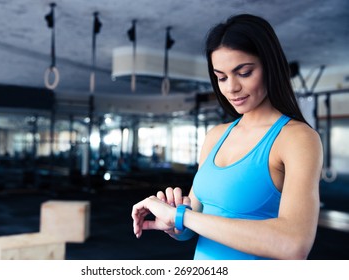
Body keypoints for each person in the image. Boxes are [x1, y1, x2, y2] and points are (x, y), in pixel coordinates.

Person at [131, 13, 323, 260]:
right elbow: (195, 221)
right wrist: (174, 223)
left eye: (244, 73)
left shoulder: (297, 139)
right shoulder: (216, 136)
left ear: (270, 66)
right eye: (221, 77)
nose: (231, 87)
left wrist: (183, 217)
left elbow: (294, 245)